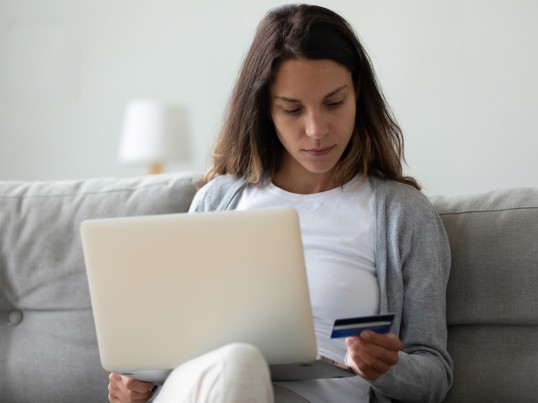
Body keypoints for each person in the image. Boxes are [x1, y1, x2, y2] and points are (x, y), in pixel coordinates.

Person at [108, 4, 453, 403]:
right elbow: (177, 341)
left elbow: (435, 376)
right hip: (208, 388)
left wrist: (390, 369)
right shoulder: (218, 200)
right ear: (265, 110)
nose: (316, 129)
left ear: (357, 94)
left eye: (334, 103)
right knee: (235, 365)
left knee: (238, 367)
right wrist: (137, 387)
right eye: (292, 109)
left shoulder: (403, 214)